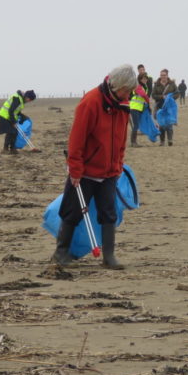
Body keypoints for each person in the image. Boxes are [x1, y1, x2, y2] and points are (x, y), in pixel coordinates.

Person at [52, 64, 136, 270]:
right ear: (116, 85)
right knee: (72, 211)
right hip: (85, 171)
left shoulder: (124, 104)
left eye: (130, 91)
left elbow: (121, 139)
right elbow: (76, 140)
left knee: (109, 213)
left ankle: (109, 256)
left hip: (109, 172)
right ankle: (60, 253)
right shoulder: (90, 102)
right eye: (126, 90)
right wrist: (75, 169)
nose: (128, 94)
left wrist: (118, 164)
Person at [152, 69, 178, 145]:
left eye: (164, 75)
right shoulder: (156, 84)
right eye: (161, 75)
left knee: (169, 124)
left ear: (167, 75)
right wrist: (162, 97)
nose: (162, 76)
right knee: (161, 125)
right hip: (159, 107)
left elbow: (177, 93)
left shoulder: (172, 84)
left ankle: (170, 140)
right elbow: (153, 95)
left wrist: (170, 98)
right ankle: (162, 141)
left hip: (169, 108)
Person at [129, 73, 151, 147]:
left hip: (139, 108)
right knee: (136, 125)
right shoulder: (138, 86)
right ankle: (133, 142)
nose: (145, 80)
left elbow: (144, 97)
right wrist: (148, 102)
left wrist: (147, 106)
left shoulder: (145, 87)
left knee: (136, 125)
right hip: (134, 107)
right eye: (143, 78)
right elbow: (144, 95)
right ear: (140, 79)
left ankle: (133, 142)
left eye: (146, 78)